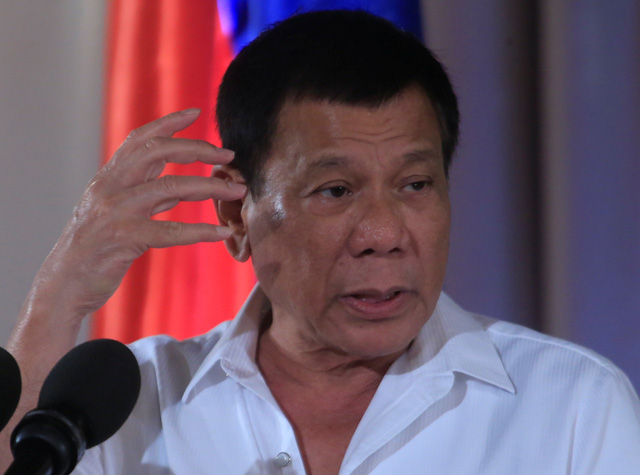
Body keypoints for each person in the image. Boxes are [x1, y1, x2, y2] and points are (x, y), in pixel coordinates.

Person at [2, 9, 639, 474]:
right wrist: (59, 295)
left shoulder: (571, 403)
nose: (384, 235)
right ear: (237, 215)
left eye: (416, 185)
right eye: (335, 190)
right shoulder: (132, 402)